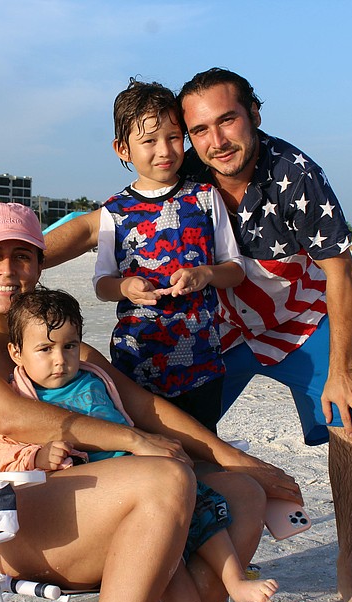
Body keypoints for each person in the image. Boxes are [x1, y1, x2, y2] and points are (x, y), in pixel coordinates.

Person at [43, 68, 352, 602]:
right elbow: (91, 227)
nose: (215, 140)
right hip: (224, 327)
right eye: (199, 129)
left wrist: (341, 370)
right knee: (174, 432)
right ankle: (174, 547)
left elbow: (340, 269)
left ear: (255, 115)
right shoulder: (186, 161)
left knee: (351, 420)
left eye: (228, 121)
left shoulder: (295, 174)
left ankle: (351, 564)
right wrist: (9, 263)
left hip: (301, 318)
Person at [0, 202, 300, 602]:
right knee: (167, 478)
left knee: (243, 494)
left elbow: (145, 407)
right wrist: (133, 440)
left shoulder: (69, 350)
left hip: (78, 497)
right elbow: (11, 416)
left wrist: (236, 460)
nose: (7, 270)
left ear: (40, 266)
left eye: (22, 257)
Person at [0, 288, 279, 602]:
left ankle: (234, 580)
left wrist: (157, 447)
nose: (60, 359)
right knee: (170, 559)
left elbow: (132, 416)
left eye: (69, 346)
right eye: (45, 349)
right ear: (16, 353)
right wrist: (39, 456)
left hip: (144, 484)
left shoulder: (93, 378)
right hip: (91, 501)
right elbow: (1, 457)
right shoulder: (20, 398)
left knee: (203, 516)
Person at [94, 79, 244, 432]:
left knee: (202, 447)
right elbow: (102, 284)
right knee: (150, 449)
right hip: (136, 362)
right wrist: (125, 287)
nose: (164, 150)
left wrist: (206, 274)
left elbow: (235, 269)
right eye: (149, 141)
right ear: (122, 149)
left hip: (202, 363)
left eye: (174, 137)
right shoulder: (114, 211)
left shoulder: (205, 197)